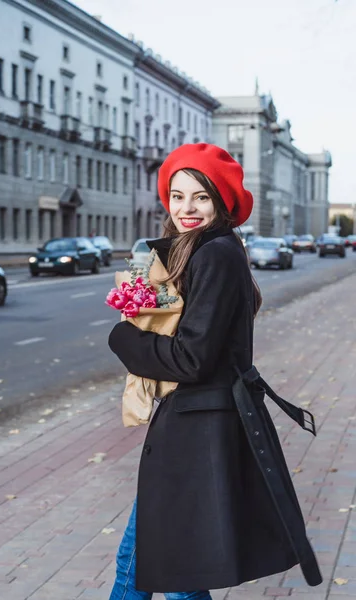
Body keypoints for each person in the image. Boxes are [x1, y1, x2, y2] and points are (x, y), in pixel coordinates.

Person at [108, 143, 322, 598]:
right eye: (178, 194)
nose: (186, 207)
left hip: (199, 429)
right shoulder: (194, 250)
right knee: (166, 564)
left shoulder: (216, 253)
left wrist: (123, 338)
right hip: (196, 425)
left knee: (165, 565)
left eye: (201, 197)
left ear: (221, 201)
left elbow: (192, 358)